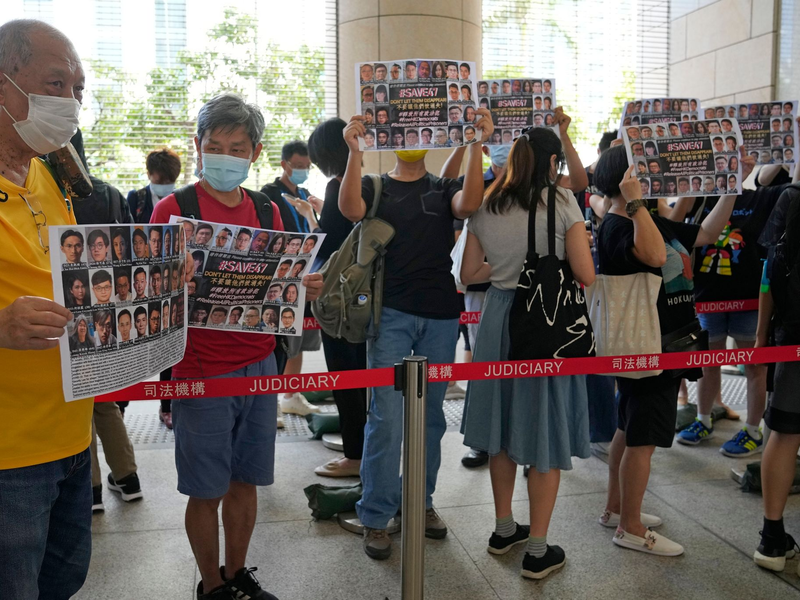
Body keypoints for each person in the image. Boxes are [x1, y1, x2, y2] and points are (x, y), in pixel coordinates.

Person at [150, 92, 322, 600]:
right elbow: (142, 297)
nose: (225, 155)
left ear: (256, 151)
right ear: (198, 147)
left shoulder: (269, 211)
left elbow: (284, 279)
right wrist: (166, 282)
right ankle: (211, 585)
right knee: (205, 489)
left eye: (237, 147)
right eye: (215, 145)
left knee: (246, 482)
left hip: (259, 364)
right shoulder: (172, 210)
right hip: (199, 371)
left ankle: (237, 572)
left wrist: (303, 284)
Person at [340, 106, 493, 560]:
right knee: (386, 418)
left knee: (429, 418)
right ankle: (375, 514)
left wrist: (474, 143)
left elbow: (470, 203)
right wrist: (355, 152)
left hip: (441, 315)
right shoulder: (375, 185)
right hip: (390, 314)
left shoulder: (442, 187)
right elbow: (350, 209)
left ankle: (419, 503)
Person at [593, 144, 754, 558]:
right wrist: (634, 203)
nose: (653, 179)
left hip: (664, 343)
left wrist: (731, 186)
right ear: (625, 178)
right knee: (643, 437)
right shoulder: (617, 225)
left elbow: (703, 235)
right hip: (646, 346)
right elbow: (653, 255)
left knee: (630, 429)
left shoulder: (648, 219)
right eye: (644, 172)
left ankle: (617, 508)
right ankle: (630, 527)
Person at [460, 125, 595, 580]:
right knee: (543, 430)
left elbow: (468, 273)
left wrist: (503, 266)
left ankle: (503, 530)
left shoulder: (487, 204)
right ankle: (538, 550)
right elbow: (585, 273)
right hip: (546, 320)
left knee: (500, 424)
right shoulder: (560, 203)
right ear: (553, 162)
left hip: (499, 318)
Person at [0, 19, 95, 599]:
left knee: (62, 581)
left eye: (77, 90)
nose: (69, 103)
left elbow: (74, 274)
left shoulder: (49, 170)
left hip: (72, 436)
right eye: (55, 84)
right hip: (9, 454)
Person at [677, 158, 798, 455]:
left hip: (749, 300)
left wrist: (787, 149)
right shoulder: (702, 199)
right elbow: (677, 220)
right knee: (709, 361)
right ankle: (703, 419)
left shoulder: (761, 197)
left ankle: (752, 430)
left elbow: (794, 188)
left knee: (753, 365)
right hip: (708, 298)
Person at [307, 117, 368, 476]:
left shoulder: (337, 187)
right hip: (366, 300)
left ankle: (355, 455)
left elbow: (326, 244)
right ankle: (362, 448)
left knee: (346, 377)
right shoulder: (367, 184)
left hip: (340, 303)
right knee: (363, 377)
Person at [752, 171, 800, 574]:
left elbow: (771, 271)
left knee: (784, 433)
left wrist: (761, 338)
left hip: (793, 335)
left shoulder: (792, 198)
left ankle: (771, 539)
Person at [127, 148, 182, 224]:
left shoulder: (181, 200)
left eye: (168, 182)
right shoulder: (136, 199)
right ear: (149, 175)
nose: (164, 186)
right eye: (158, 182)